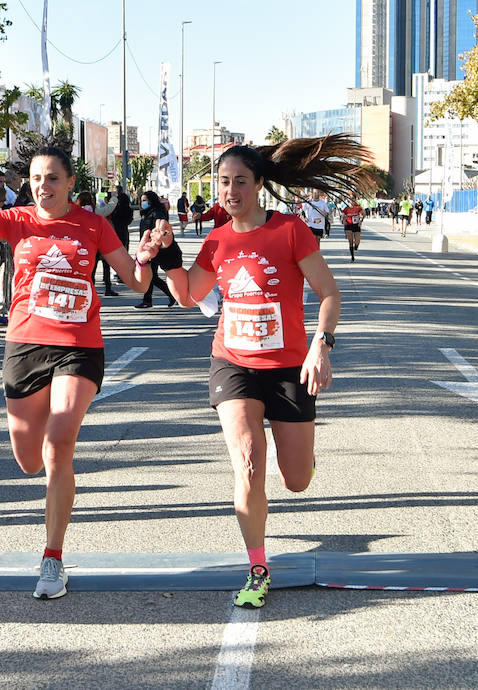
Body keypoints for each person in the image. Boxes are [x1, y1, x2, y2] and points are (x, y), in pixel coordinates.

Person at [0, 135, 162, 600]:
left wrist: (147, 255)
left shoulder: (94, 225)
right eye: (36, 179)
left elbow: (136, 283)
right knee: (29, 459)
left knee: (59, 444)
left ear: (71, 182)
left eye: (52, 179)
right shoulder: (16, 220)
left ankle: (52, 559)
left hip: (78, 346)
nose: (43, 187)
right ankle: (44, 487)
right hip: (24, 346)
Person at [157, 134, 372, 610]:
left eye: (240, 181)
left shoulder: (290, 231)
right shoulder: (216, 239)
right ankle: (257, 566)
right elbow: (189, 294)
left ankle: (303, 456)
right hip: (232, 365)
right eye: (223, 182)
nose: (230, 191)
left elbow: (329, 294)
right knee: (249, 462)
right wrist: (168, 257)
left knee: (295, 479)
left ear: (258, 185)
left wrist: (322, 345)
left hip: (289, 367)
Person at [135, 190, 176, 309]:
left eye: (145, 200)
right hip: (146, 249)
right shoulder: (147, 213)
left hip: (153, 249)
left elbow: (160, 228)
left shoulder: (156, 212)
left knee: (150, 275)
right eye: (142, 200)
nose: (143, 203)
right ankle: (169, 295)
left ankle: (148, 300)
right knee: (152, 276)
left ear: (151, 200)